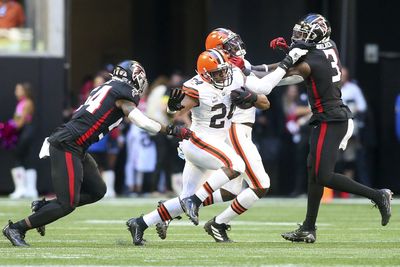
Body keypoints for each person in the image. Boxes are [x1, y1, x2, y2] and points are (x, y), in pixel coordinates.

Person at [126, 45, 308, 245]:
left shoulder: (236, 75)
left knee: (185, 198)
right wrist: (172, 106)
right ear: (204, 74)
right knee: (236, 166)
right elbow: (174, 111)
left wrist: (253, 98)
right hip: (198, 142)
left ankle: (140, 223)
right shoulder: (196, 87)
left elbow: (265, 103)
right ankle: (195, 202)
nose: (223, 75)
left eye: (223, 70)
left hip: (214, 143)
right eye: (217, 72)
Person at [2, 60, 192, 247]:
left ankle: (43, 207)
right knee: (67, 204)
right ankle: (17, 228)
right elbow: (143, 122)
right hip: (68, 143)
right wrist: (171, 130)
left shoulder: (107, 87)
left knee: (97, 191)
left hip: (77, 145)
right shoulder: (123, 93)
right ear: (135, 78)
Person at [265, 14, 393, 243]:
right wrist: (289, 54)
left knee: (322, 175)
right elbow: (305, 58)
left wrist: (251, 69)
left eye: (305, 34)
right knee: (312, 172)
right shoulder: (329, 46)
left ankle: (378, 195)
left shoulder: (311, 61)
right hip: (329, 117)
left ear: (317, 36)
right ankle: (308, 227)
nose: (298, 37)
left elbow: (283, 74)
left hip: (332, 119)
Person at [7, 82, 38, 199]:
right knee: (22, 158)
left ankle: (27, 189)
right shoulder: (20, 103)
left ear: (25, 91)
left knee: (20, 157)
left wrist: (8, 129)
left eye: (18, 89)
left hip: (26, 131)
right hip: (22, 131)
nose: (16, 92)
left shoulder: (28, 102)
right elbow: (16, 120)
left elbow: (20, 122)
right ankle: (23, 188)